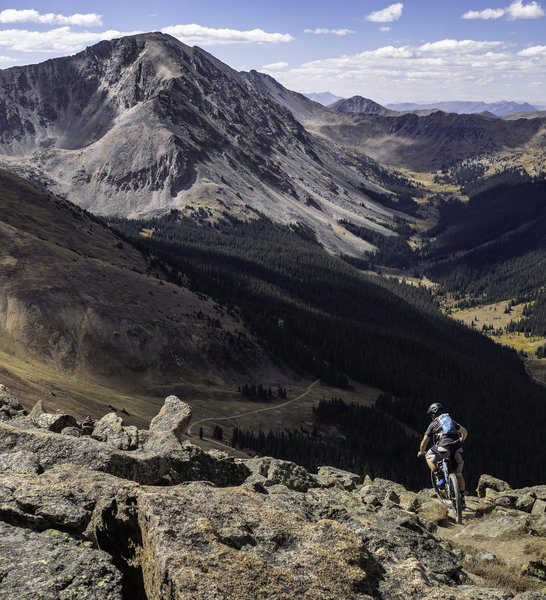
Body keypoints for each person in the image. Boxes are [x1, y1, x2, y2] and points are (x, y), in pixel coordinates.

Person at [417, 402, 468, 507]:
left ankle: (438, 476)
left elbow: (423, 443)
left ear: (433, 414)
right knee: (459, 474)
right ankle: (462, 500)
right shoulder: (450, 421)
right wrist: (461, 440)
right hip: (457, 450)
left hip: (443, 449)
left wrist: (422, 452)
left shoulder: (433, 424)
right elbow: (465, 432)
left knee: (428, 456)